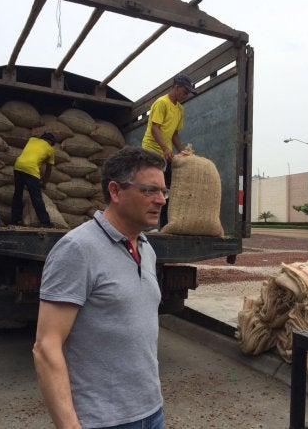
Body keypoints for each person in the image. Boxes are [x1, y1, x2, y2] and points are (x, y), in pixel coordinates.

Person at [33, 146, 167, 429]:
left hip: (152, 413)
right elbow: (46, 347)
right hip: (102, 420)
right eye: (149, 191)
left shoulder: (147, 248)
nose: (161, 200)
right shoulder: (77, 249)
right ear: (116, 192)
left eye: (163, 192)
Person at [141, 74, 197, 224]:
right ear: (176, 87)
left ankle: (164, 225)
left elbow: (174, 133)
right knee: (151, 186)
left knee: (166, 190)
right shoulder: (161, 103)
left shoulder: (180, 109)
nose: (186, 96)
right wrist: (165, 148)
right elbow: (155, 128)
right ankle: (146, 223)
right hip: (151, 151)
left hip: (165, 154)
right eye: (185, 92)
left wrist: (182, 151)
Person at [10, 132, 56, 227]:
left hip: (18, 166)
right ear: (51, 142)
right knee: (36, 198)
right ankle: (45, 222)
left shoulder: (32, 139)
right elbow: (49, 169)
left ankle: (14, 220)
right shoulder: (50, 149)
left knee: (18, 195)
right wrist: (44, 182)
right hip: (31, 170)